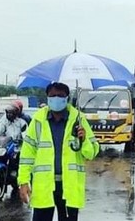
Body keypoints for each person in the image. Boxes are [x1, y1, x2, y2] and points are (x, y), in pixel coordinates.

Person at [18, 82, 100, 221]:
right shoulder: (38, 120)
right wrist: (23, 182)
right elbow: (27, 154)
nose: (56, 99)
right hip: (44, 185)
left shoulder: (78, 120)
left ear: (66, 98)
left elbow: (91, 153)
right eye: (53, 95)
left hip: (69, 186)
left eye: (60, 96)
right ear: (47, 98)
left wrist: (84, 139)